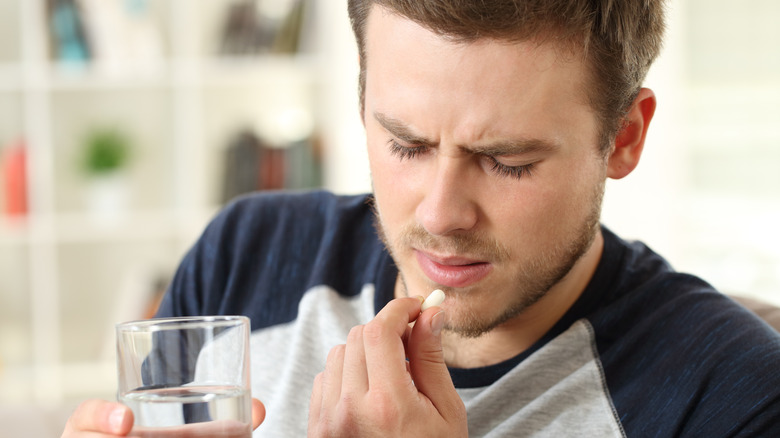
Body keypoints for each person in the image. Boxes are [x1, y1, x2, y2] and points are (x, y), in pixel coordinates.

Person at [63, 0, 780, 436]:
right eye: (405, 144)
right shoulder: (245, 254)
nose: (440, 214)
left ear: (623, 137)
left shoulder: (733, 397)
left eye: (507, 160)